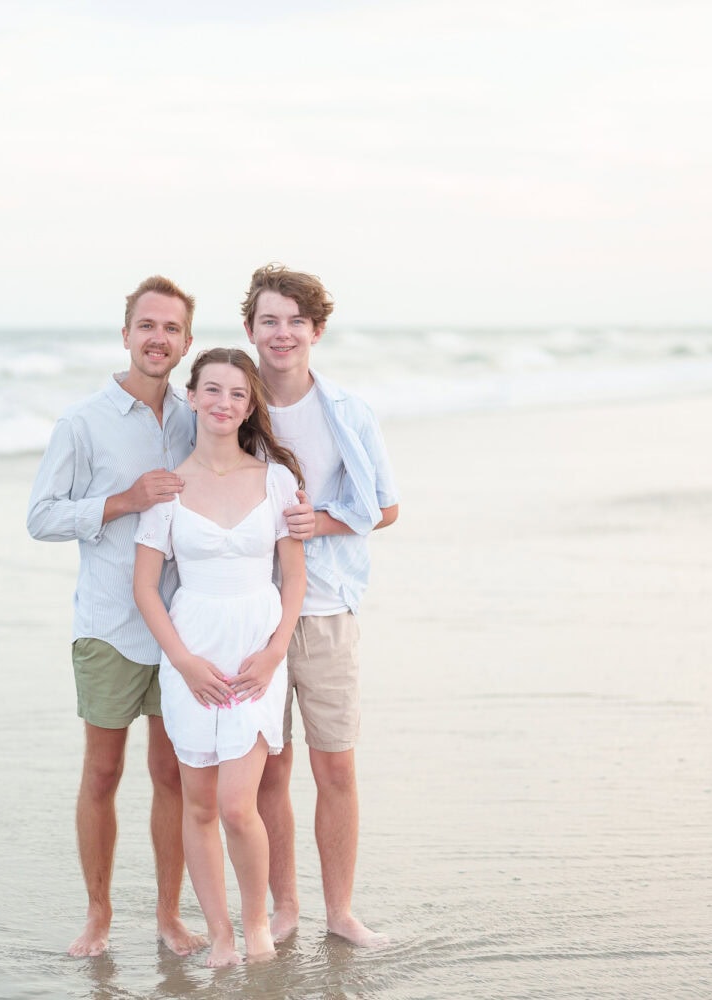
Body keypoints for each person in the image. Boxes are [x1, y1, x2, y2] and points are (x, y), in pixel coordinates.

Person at [26, 278, 315, 958]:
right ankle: (98, 916)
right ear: (126, 334)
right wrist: (122, 501)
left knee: (175, 778)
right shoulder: (83, 422)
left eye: (172, 329)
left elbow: (241, 445)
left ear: (185, 343)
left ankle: (170, 916)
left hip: (202, 635)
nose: (158, 337)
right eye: (146, 325)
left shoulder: (195, 417)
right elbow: (40, 518)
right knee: (102, 773)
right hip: (112, 625)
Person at [241, 264, 399, 948]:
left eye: (295, 321)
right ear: (250, 328)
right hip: (251, 613)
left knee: (335, 764)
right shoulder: (228, 403)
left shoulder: (349, 412)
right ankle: (286, 909)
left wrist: (321, 523)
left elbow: (384, 508)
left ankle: (340, 913)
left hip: (329, 608)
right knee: (269, 768)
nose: (282, 333)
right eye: (269, 320)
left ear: (317, 331)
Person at [131, 348, 306, 967]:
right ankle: (221, 936)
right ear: (194, 396)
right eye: (211, 390)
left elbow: (294, 578)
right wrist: (181, 661)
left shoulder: (276, 480)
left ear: (250, 402)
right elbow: (145, 587)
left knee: (239, 804)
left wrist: (274, 650)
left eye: (236, 392)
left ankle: (256, 923)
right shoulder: (169, 488)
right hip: (193, 653)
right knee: (199, 803)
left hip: (256, 649)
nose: (223, 403)